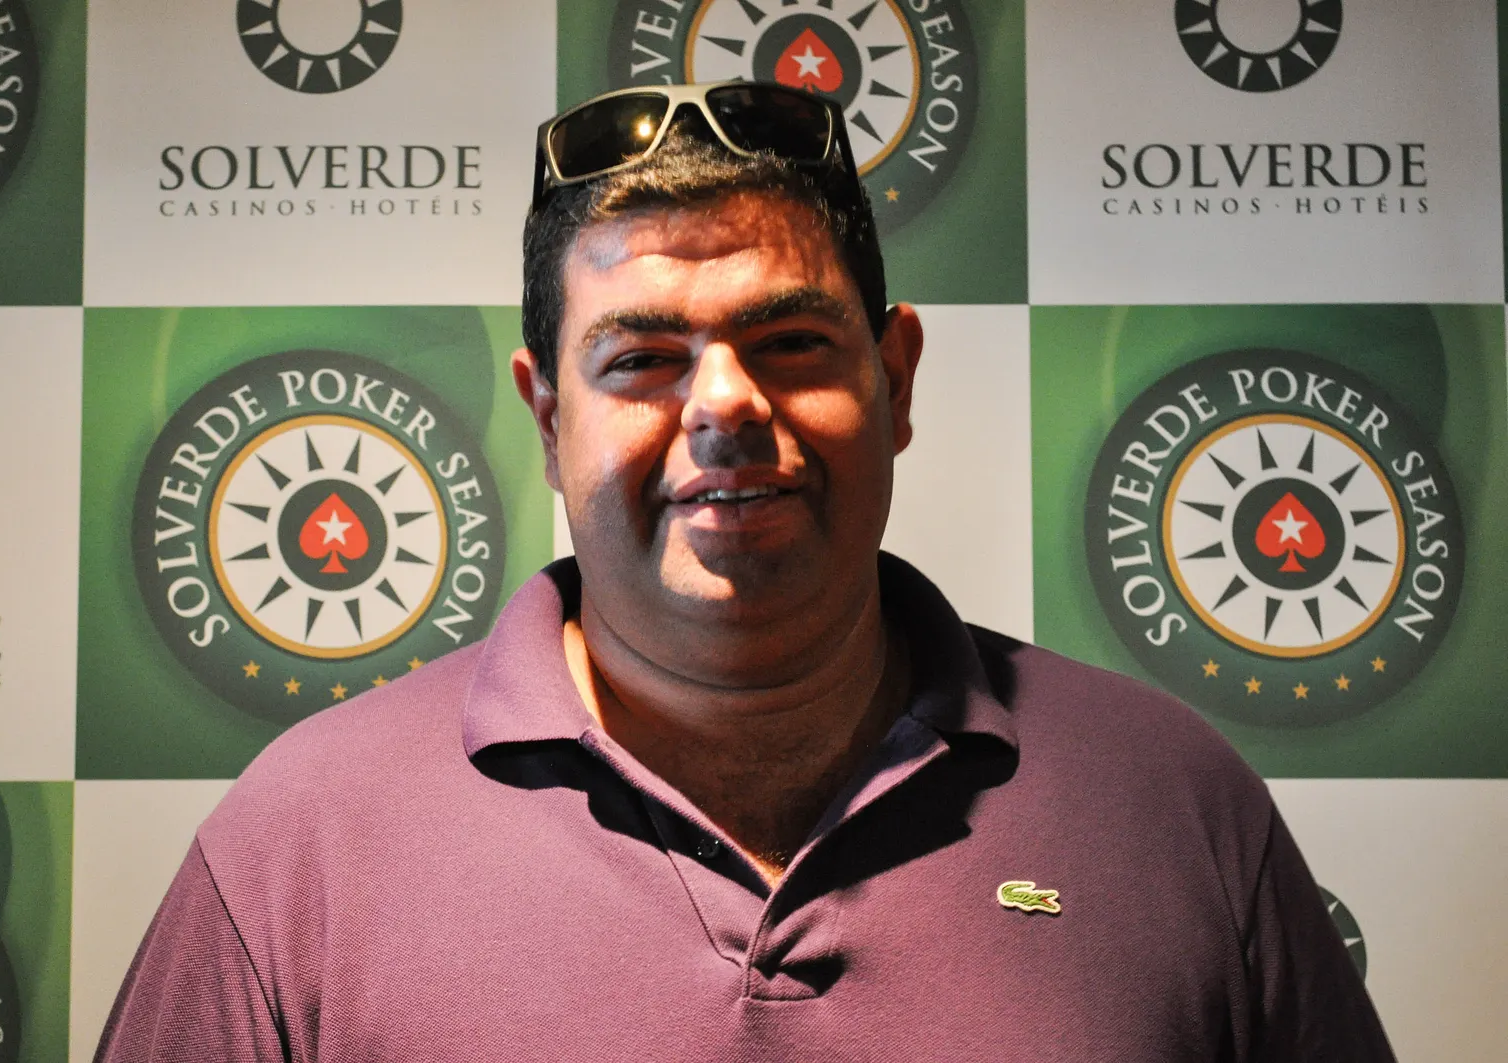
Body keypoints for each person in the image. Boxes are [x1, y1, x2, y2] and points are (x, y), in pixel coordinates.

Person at [95, 83, 1394, 1061]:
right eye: (643, 360)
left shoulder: (1173, 804)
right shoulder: (302, 848)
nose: (725, 404)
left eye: (791, 342)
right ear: (546, 417)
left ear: (896, 380)